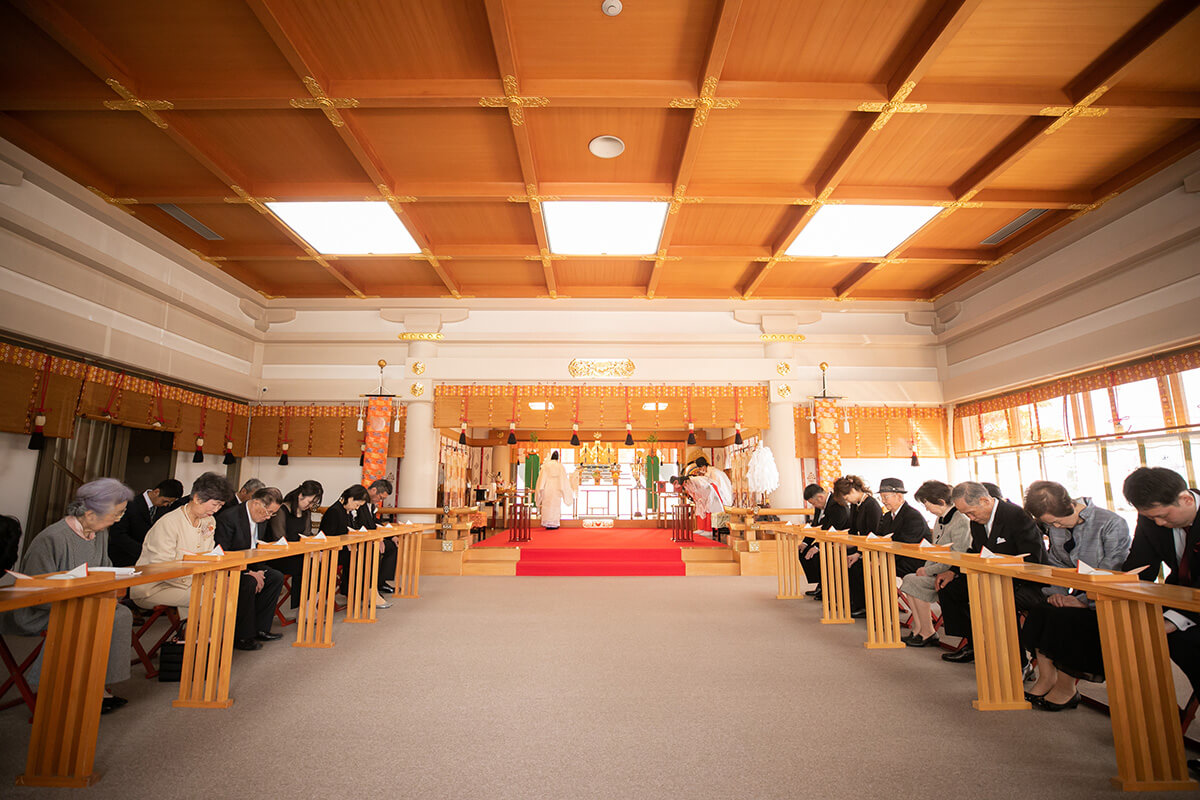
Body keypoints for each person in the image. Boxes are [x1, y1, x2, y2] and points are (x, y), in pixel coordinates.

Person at [8, 479, 135, 713]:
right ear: (90, 513)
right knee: (87, 616)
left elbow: (105, 569)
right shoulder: (52, 538)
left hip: (86, 602)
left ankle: (99, 685)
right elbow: (34, 589)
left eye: (122, 513)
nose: (118, 520)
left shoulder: (100, 534)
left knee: (122, 614)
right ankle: (58, 690)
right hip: (42, 607)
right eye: (116, 514)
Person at [1019, 481, 1130, 709]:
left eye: (1057, 521)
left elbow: (1113, 569)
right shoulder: (1055, 525)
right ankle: (1046, 677)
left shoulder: (1110, 523)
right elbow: (1057, 563)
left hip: (1105, 596)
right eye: (1051, 524)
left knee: (1065, 619)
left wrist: (1082, 601)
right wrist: (1056, 594)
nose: (1056, 526)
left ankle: (1066, 686)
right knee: (1041, 610)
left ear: (1069, 504)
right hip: (1074, 593)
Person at [935, 481, 1048, 665]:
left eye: (971, 512)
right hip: (992, 576)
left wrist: (1002, 565)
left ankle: (1019, 662)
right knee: (950, 588)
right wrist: (953, 571)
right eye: (966, 514)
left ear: (985, 501)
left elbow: (1033, 558)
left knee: (996, 597)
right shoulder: (977, 520)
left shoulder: (1016, 516)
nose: (970, 518)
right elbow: (976, 551)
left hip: (1024, 580)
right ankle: (973, 643)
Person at [1121, 468, 1200, 706]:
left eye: (1163, 516)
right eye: (1151, 517)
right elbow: (1140, 567)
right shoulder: (1151, 518)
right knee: (1129, 631)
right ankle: (1157, 712)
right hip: (1180, 596)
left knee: (1185, 642)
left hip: (1189, 605)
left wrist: (1173, 620)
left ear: (1186, 499)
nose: (1158, 522)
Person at [131, 472, 234, 615]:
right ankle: (198, 636)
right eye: (214, 504)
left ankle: (202, 635)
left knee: (228, 588)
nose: (216, 510)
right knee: (211, 595)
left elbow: (208, 555)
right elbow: (160, 566)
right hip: (154, 586)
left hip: (189, 582)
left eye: (220, 506)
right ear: (197, 498)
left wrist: (214, 577)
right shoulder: (169, 523)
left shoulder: (209, 521)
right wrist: (202, 580)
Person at [213, 486, 286, 651]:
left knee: (275, 577)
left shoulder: (262, 520)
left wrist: (258, 569)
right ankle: (243, 636)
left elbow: (256, 547)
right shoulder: (229, 518)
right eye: (267, 512)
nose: (268, 517)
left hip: (252, 564)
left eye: (272, 514)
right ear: (256, 503)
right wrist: (248, 572)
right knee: (248, 583)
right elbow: (223, 554)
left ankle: (261, 628)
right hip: (229, 568)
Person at [900, 481, 971, 647]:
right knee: (910, 579)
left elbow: (957, 555)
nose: (926, 509)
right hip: (936, 569)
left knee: (914, 581)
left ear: (941, 502)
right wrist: (926, 568)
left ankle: (927, 632)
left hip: (951, 573)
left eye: (927, 504)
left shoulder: (961, 520)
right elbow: (936, 549)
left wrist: (929, 570)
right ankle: (920, 629)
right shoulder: (941, 519)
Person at [266, 480, 323, 609]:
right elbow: (279, 539)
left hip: (298, 553)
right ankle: (302, 607)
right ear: (300, 495)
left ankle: (310, 605)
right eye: (309, 502)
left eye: (313, 504)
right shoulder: (281, 510)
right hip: (280, 556)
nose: (310, 506)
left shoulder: (306, 513)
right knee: (307, 565)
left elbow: (307, 535)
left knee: (323, 564)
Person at [107, 478, 183, 567]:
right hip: (123, 558)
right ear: (156, 492)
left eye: (169, 503)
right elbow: (118, 534)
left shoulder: (164, 509)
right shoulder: (130, 503)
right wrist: (142, 551)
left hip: (148, 561)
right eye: (165, 501)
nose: (166, 505)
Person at [833, 475, 880, 618]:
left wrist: (858, 553)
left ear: (853, 490)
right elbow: (853, 530)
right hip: (861, 544)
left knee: (855, 565)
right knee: (840, 557)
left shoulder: (872, 505)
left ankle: (864, 605)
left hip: (872, 548)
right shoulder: (855, 505)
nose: (847, 501)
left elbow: (874, 535)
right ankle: (851, 599)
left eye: (846, 497)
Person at [321, 484, 375, 601]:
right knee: (360, 556)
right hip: (331, 551)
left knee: (364, 554)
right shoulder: (334, 511)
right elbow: (328, 537)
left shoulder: (346, 511)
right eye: (356, 505)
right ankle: (358, 591)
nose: (356, 509)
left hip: (341, 549)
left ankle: (363, 590)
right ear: (350, 499)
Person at [800, 483, 851, 600]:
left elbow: (834, 530)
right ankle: (821, 583)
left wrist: (817, 547)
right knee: (803, 551)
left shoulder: (837, 505)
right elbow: (815, 527)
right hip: (826, 540)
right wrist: (805, 543)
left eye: (814, 503)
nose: (814, 506)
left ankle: (828, 587)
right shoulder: (820, 506)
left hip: (839, 542)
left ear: (820, 497)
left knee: (817, 554)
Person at [876, 478, 930, 578]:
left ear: (899, 497)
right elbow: (880, 537)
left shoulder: (913, 516)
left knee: (878, 569)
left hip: (911, 559)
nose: (883, 501)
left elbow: (905, 544)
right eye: (881, 498)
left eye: (885, 497)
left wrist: (882, 560)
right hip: (895, 557)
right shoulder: (887, 517)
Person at [358, 479, 398, 598]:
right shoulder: (359, 501)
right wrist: (378, 540)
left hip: (373, 536)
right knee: (375, 549)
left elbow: (375, 522)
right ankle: (369, 586)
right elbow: (360, 525)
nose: (380, 501)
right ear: (374, 490)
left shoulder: (371, 504)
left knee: (392, 546)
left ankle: (381, 582)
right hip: (362, 538)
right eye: (380, 498)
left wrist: (391, 536)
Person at [535, 451, 574, 530]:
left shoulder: (545, 466)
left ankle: (546, 523)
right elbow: (564, 480)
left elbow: (541, 479)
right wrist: (565, 491)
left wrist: (540, 490)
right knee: (555, 506)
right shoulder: (560, 466)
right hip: (557, 488)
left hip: (547, 488)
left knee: (547, 505)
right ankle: (555, 523)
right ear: (557, 458)